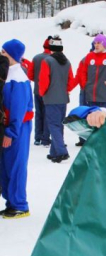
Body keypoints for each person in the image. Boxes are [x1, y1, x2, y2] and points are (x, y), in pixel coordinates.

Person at [1, 39, 33, 219]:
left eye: (4, 52)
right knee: (6, 165)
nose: (1, 54)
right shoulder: (7, 73)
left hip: (17, 128)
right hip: (9, 126)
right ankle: (11, 202)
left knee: (16, 165)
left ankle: (20, 204)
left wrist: (11, 132)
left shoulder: (18, 78)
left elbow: (18, 109)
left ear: (12, 55)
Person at [38, 35, 77, 163]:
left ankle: (61, 151)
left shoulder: (47, 61)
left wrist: (42, 93)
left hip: (51, 98)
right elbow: (71, 81)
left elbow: (43, 81)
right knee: (59, 125)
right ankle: (54, 152)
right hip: (63, 98)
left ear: (51, 48)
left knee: (53, 125)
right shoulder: (67, 62)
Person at [28, 36, 51, 147]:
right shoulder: (53, 59)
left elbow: (30, 75)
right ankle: (45, 137)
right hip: (49, 92)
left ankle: (37, 137)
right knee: (47, 114)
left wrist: (37, 81)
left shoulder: (36, 58)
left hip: (37, 90)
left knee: (38, 113)